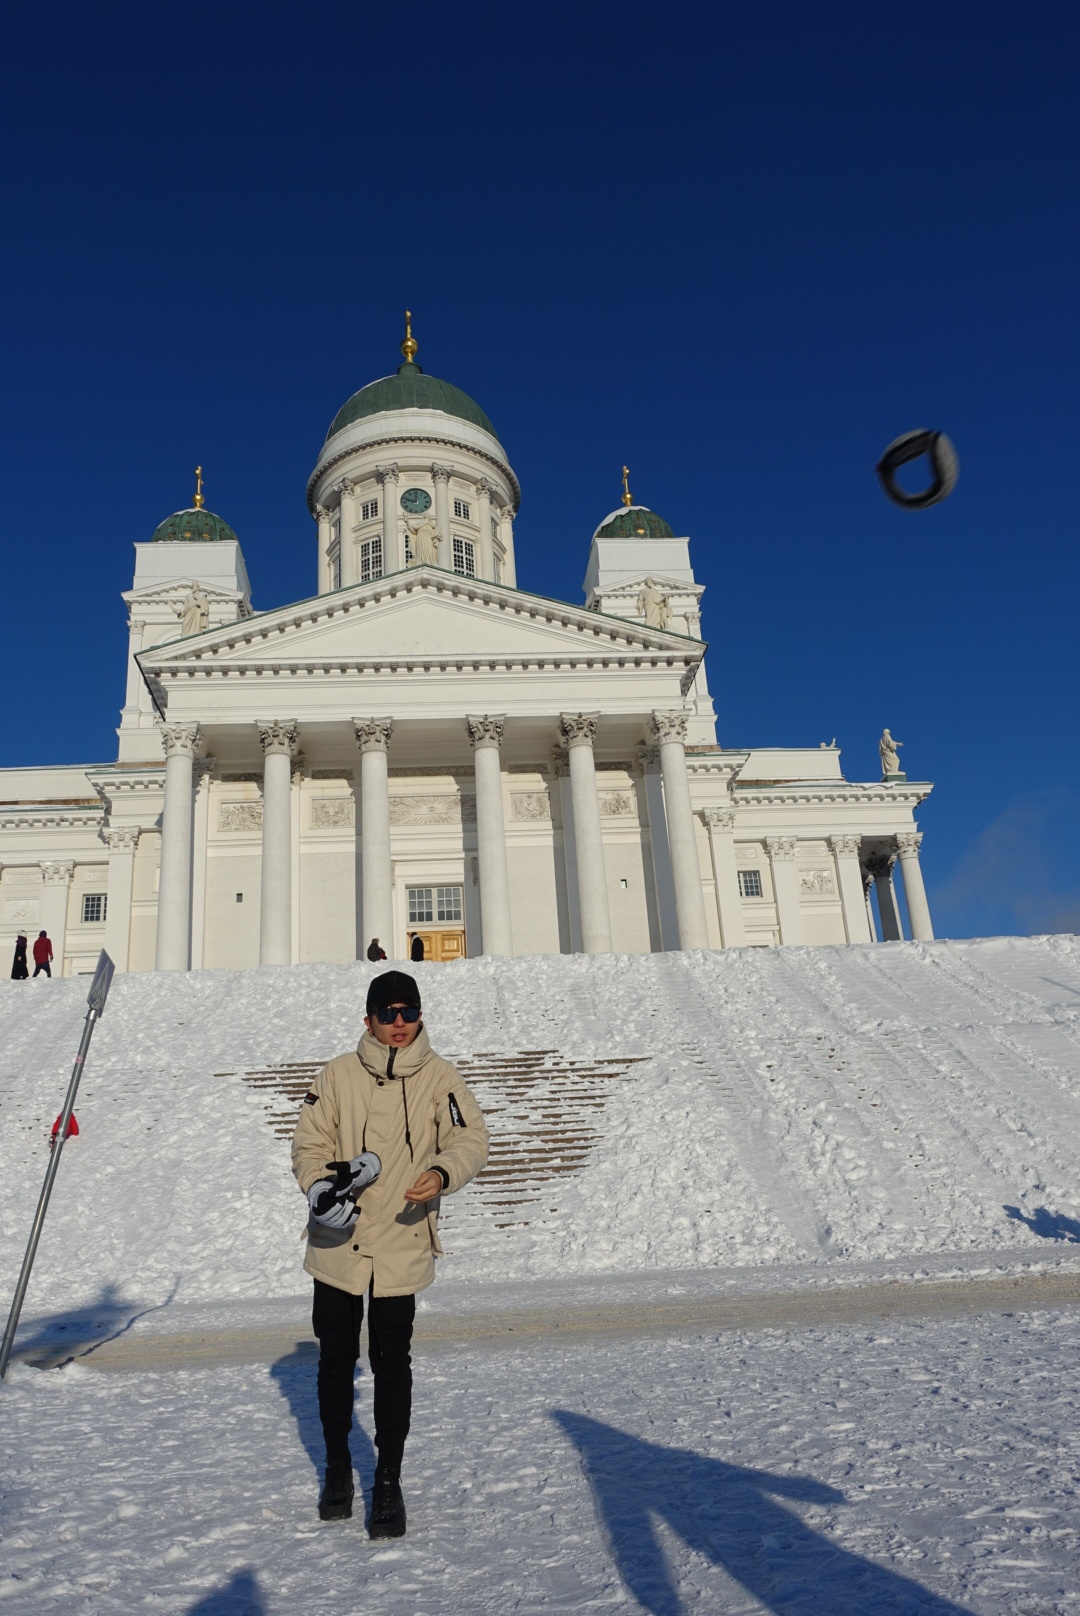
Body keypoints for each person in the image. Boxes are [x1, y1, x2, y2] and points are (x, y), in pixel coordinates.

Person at [292, 969, 488, 1536]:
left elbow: (469, 1138)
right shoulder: (337, 1075)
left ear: (420, 1015)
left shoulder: (440, 1078)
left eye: (408, 1012)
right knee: (334, 1360)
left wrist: (442, 1171)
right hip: (339, 1238)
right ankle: (336, 1468)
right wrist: (318, 1188)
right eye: (387, 1014)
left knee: (391, 1363)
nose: (398, 1024)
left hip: (401, 1236)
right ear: (369, 1019)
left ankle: (388, 1480)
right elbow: (310, 1143)